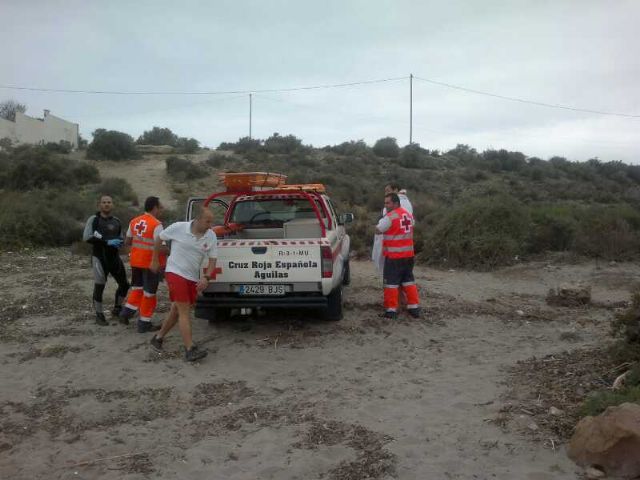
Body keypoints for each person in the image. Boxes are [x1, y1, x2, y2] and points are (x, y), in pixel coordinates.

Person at [149, 206, 218, 362]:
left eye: (211, 221)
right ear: (198, 219)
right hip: (175, 272)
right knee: (184, 311)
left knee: (177, 310)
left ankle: (158, 338)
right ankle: (189, 349)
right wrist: (154, 260)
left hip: (192, 278)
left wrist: (206, 277)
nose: (210, 225)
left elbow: (213, 260)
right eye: (208, 221)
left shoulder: (211, 235)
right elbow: (159, 238)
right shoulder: (179, 227)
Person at [119, 196, 167, 333]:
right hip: (150, 264)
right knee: (149, 293)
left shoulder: (134, 221)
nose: (161, 210)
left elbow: (127, 242)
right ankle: (144, 323)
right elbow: (161, 247)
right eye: (160, 207)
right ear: (154, 208)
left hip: (136, 262)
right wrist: (172, 249)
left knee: (137, 289)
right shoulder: (156, 224)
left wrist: (134, 252)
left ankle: (125, 314)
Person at [82, 195, 129, 326]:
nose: (106, 204)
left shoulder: (116, 221)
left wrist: (120, 242)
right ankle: (99, 315)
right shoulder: (94, 220)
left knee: (125, 285)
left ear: (112, 205)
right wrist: (107, 242)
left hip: (114, 257)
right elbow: (86, 237)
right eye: (104, 202)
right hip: (99, 258)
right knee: (100, 286)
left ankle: (117, 308)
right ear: (99, 205)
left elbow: (120, 237)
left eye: (109, 202)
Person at [375, 192, 420, 319]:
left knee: (391, 283)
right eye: (385, 203)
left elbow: (378, 229)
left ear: (395, 203)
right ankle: (414, 307)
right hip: (409, 255)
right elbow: (413, 225)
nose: (386, 205)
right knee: (409, 281)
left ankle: (391, 310)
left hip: (394, 256)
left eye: (388, 203)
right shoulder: (408, 215)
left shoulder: (389, 217)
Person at [373, 183, 414, 273]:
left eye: (388, 190)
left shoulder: (393, 211)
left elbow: (380, 228)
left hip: (394, 252)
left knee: (391, 281)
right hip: (408, 251)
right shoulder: (407, 203)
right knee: (407, 280)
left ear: (395, 190)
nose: (385, 193)